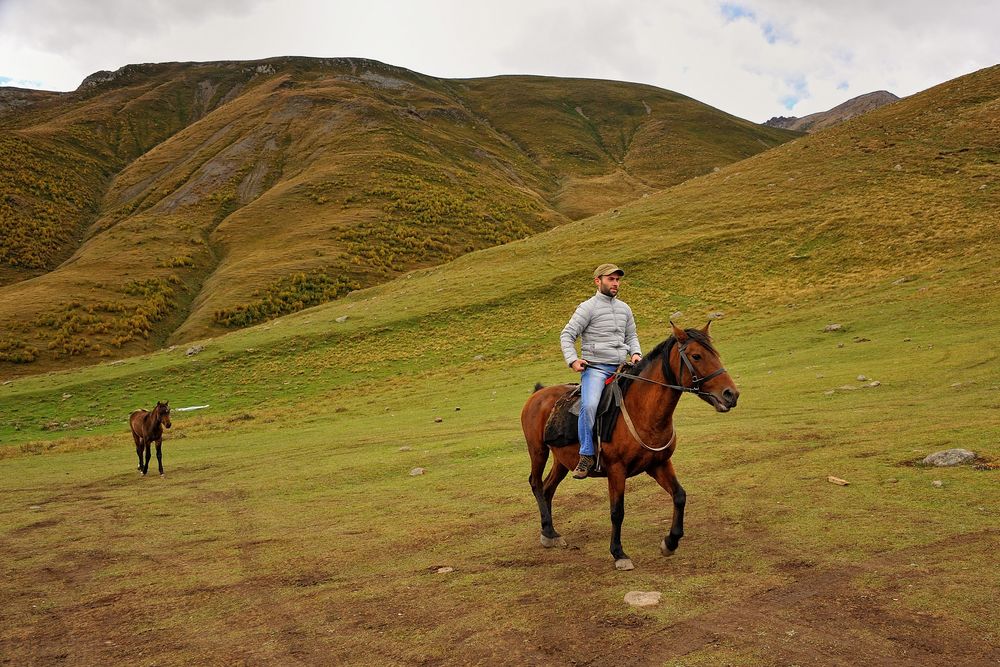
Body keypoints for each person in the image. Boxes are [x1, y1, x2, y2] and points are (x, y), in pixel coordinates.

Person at [560, 263, 642, 478]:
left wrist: (635, 353)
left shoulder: (625, 308)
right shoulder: (587, 308)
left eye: (617, 279)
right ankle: (586, 454)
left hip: (622, 367)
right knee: (590, 406)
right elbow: (567, 335)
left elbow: (631, 336)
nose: (615, 283)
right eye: (610, 279)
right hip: (596, 369)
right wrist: (573, 360)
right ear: (598, 281)